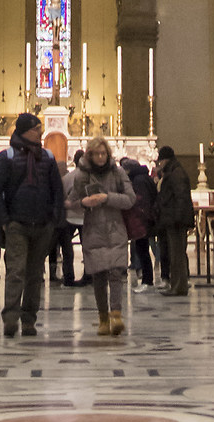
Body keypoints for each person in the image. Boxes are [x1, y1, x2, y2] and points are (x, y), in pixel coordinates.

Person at [0, 110, 66, 338]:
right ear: (24, 131)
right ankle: (11, 318)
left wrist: (54, 218)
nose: (40, 133)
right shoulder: (7, 157)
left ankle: (29, 319)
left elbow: (56, 189)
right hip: (17, 223)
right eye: (36, 129)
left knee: (35, 274)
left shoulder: (47, 157)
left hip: (42, 223)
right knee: (16, 271)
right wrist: (4, 220)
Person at [66, 135, 135, 337]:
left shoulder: (117, 172)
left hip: (115, 228)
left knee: (116, 273)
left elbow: (130, 199)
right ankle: (103, 317)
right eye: (96, 154)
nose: (100, 157)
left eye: (103, 153)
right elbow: (70, 202)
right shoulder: (81, 176)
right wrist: (83, 203)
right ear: (90, 155)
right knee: (99, 275)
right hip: (93, 230)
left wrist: (107, 198)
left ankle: (116, 314)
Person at [154, 143, 195, 296]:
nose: (159, 164)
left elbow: (181, 197)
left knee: (177, 255)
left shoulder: (176, 173)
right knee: (174, 254)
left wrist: (178, 218)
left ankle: (178, 286)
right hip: (173, 219)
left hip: (176, 220)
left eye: (160, 161)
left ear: (165, 160)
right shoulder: (173, 171)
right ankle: (176, 285)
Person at [120, 155, 157, 287]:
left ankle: (147, 280)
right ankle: (147, 279)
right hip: (145, 219)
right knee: (142, 249)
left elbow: (141, 201)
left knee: (143, 250)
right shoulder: (144, 177)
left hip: (142, 220)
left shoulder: (138, 180)